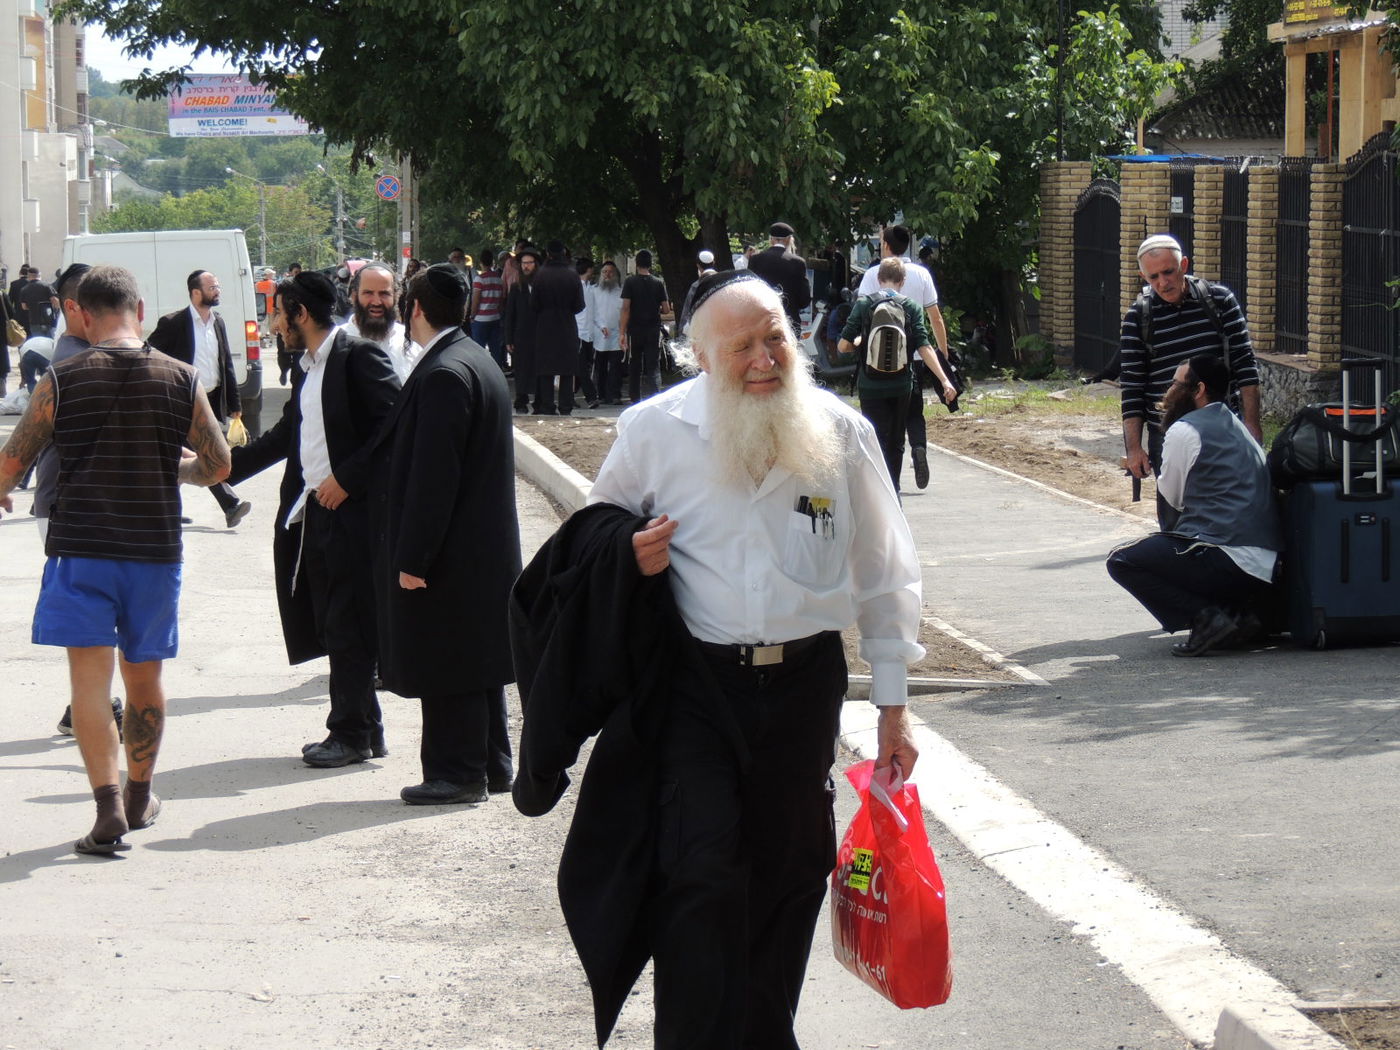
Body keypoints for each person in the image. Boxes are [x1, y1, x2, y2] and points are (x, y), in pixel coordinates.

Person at [514, 269, 922, 1048]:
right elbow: (589, 535)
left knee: (791, 874)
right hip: (697, 690)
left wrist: (894, 707)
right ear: (701, 357)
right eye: (743, 346)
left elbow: (886, 573)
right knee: (701, 877)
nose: (767, 357)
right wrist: (627, 552)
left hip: (804, 688)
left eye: (776, 336)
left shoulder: (840, 432)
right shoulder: (653, 430)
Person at [0, 263, 231, 855]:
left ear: (80, 311)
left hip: (81, 549)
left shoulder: (63, 377)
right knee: (145, 675)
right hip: (154, 550)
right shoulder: (180, 377)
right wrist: (176, 468)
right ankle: (139, 794)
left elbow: (12, 460)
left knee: (89, 681)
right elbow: (218, 464)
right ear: (141, 311)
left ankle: (106, 809)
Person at [229, 271, 401, 766]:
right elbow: (288, 436)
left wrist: (348, 479)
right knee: (333, 623)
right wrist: (223, 467)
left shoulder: (356, 356)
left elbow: (395, 425)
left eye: (279, 311)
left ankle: (349, 734)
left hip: (353, 514)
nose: (274, 320)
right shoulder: (307, 366)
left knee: (346, 626)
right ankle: (365, 729)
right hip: (315, 513)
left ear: (301, 314)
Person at [370, 264, 521, 804]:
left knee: (449, 659)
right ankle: (494, 765)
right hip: (481, 548)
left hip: (452, 552)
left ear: (415, 309)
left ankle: (457, 773)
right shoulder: (473, 359)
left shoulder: (443, 374)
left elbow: (434, 479)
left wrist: (414, 557)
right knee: (478, 661)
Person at [1107, 354, 1280, 657]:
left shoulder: (1185, 429)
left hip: (1227, 554)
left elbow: (1173, 498)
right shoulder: (1239, 426)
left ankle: (1206, 619)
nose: (1169, 390)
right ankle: (1236, 615)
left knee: (1122, 560)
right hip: (1264, 563)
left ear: (1198, 389)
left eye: (1175, 383)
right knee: (1175, 547)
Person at [1120, 233, 1261, 526]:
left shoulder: (1219, 302)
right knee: (1175, 517)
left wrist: (1252, 426)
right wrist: (1134, 449)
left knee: (1227, 509)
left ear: (1183, 264)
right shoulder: (1138, 316)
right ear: (1143, 276)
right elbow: (1132, 386)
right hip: (1167, 432)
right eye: (1153, 276)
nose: (1162, 283)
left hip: (1221, 428)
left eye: (1168, 272)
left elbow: (1245, 367)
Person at [839, 257, 958, 491]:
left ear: (878, 279)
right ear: (902, 281)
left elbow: (843, 346)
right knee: (896, 442)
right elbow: (924, 346)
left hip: (870, 385)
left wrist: (858, 342)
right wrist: (945, 380)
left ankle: (880, 491)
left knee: (875, 439)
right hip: (902, 383)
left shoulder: (864, 305)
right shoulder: (911, 306)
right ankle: (895, 492)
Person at [148, 269, 252, 528]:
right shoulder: (173, 323)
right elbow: (148, 354)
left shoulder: (218, 322)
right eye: (212, 287)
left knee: (183, 456)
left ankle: (168, 510)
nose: (218, 291)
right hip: (181, 402)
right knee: (204, 455)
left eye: (218, 286)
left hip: (211, 400)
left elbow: (225, 362)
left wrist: (235, 404)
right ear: (196, 292)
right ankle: (230, 504)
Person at [858, 224, 950, 491]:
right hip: (913, 359)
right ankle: (919, 448)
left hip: (875, 361)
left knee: (881, 419)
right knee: (913, 412)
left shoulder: (873, 274)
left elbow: (862, 316)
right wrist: (942, 353)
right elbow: (935, 317)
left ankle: (885, 474)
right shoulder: (921, 274)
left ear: (886, 246)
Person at [340, 262, 415, 382]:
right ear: (354, 296)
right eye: (368, 293)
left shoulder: (411, 342)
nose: (376, 302)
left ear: (396, 296)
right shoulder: (334, 343)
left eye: (384, 293)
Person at [619, 250, 669, 404]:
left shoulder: (630, 282)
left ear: (637, 264)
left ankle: (635, 399)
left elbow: (626, 307)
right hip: (653, 329)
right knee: (653, 365)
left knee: (635, 364)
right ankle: (655, 398)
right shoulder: (658, 282)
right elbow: (666, 309)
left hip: (635, 329)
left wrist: (622, 332)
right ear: (650, 264)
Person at [746, 221, 810, 327]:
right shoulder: (798, 262)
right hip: (789, 320)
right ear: (789, 239)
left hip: (761, 319)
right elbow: (804, 299)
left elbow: (749, 292)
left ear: (771, 239)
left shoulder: (756, 259)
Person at [503, 246, 542, 412]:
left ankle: (540, 400)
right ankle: (521, 400)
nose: (526, 266)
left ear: (536, 264)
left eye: (530, 263)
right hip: (521, 335)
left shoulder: (542, 286)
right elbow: (509, 314)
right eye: (524, 263)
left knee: (539, 369)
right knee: (521, 369)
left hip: (539, 334)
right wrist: (508, 339)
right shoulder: (516, 287)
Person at [591, 260, 624, 405]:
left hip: (617, 333)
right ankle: (602, 394)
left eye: (610, 272)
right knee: (600, 366)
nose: (607, 274)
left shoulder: (622, 291)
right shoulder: (594, 290)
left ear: (616, 274)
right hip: (599, 333)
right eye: (604, 272)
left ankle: (615, 394)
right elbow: (592, 312)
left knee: (616, 366)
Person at [469, 248, 506, 371]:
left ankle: (479, 372)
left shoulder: (479, 279)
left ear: (481, 262)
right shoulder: (499, 280)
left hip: (480, 319)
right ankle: (497, 371)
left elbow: (476, 301)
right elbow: (501, 301)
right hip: (495, 318)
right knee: (495, 348)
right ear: (492, 262)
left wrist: (472, 316)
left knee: (479, 349)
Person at [574, 256, 599, 409]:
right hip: (579, 333)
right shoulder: (577, 287)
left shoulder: (590, 288)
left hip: (587, 333)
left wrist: (600, 325)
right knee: (581, 367)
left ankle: (570, 394)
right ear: (588, 270)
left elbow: (594, 312)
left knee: (581, 366)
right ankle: (591, 396)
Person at [677, 248, 718, 333]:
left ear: (698, 265)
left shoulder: (696, 286)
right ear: (713, 262)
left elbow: (687, 313)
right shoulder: (725, 282)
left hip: (702, 332)